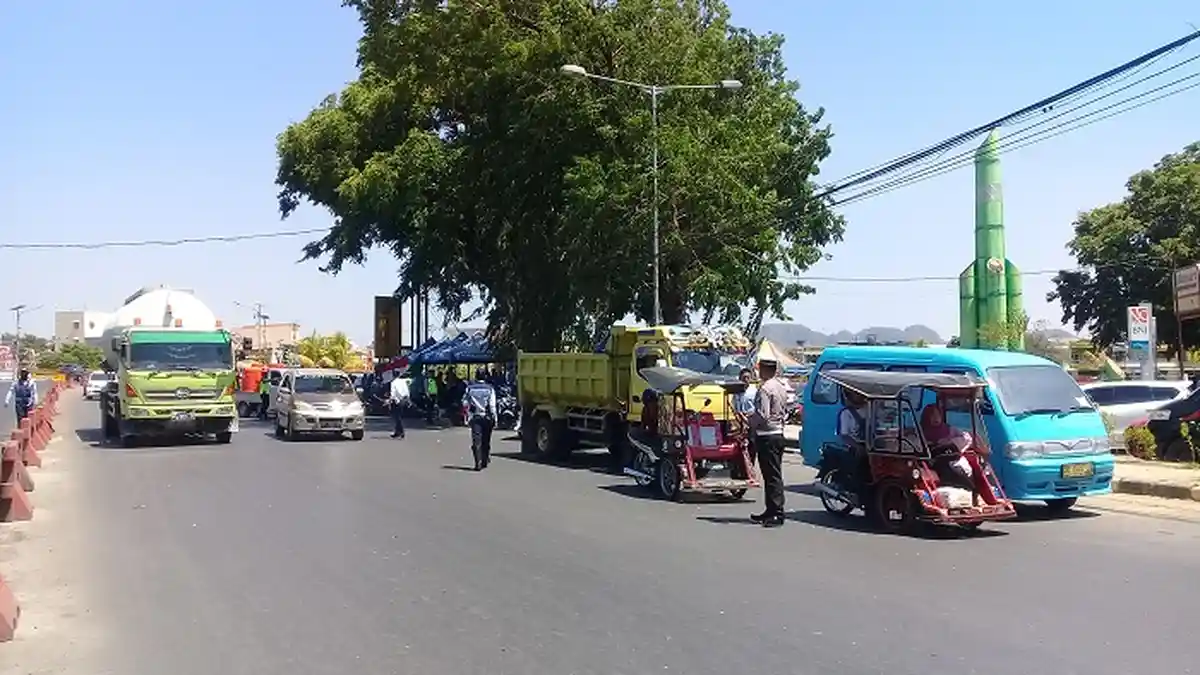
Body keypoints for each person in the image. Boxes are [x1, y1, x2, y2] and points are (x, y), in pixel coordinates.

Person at [748, 358, 788, 528]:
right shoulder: (780, 387)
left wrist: (749, 420)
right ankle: (770, 510)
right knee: (773, 474)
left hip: (767, 435)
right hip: (778, 432)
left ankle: (777, 512)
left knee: (771, 475)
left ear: (763, 370)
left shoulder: (765, 389)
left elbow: (763, 415)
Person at [462, 372, 498, 471]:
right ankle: (485, 460)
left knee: (476, 441)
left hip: (475, 417)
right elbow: (492, 405)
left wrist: (466, 416)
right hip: (487, 417)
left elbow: (465, 403)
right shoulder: (490, 389)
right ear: (485, 377)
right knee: (486, 440)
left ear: (476, 377)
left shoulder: (470, 388)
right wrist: (495, 418)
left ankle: (477, 462)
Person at [388, 373, 411, 439]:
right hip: (404, 399)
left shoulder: (393, 382)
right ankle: (397, 432)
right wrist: (408, 399)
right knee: (399, 416)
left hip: (397, 401)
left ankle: (401, 431)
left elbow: (393, 393)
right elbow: (407, 391)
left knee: (397, 417)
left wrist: (391, 400)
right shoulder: (403, 381)